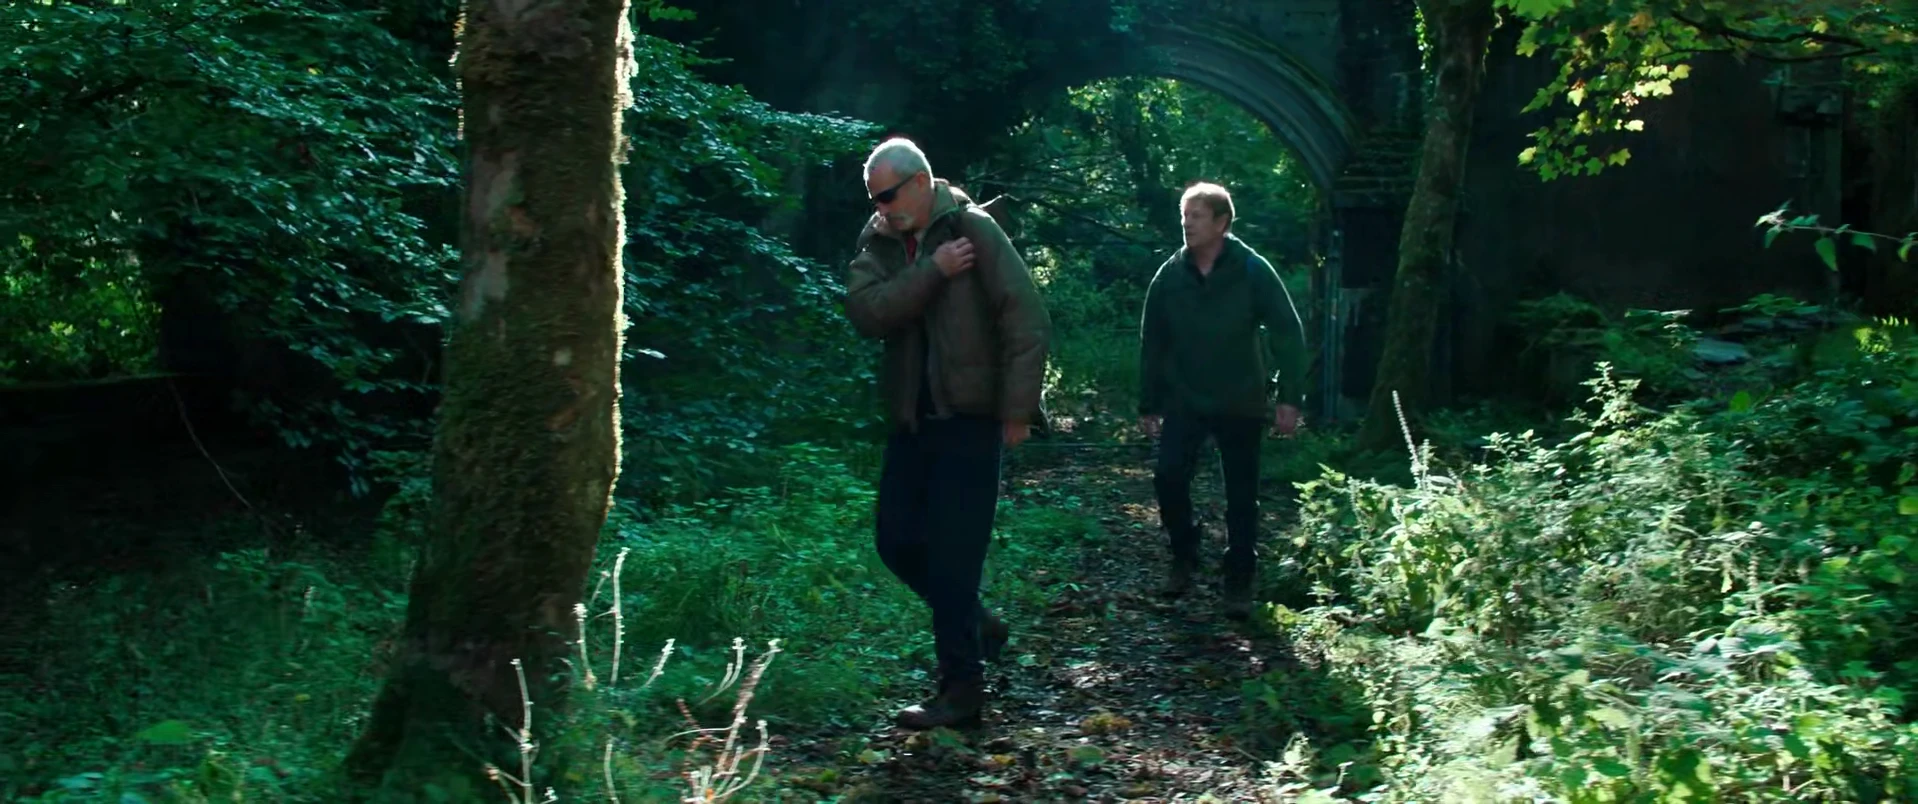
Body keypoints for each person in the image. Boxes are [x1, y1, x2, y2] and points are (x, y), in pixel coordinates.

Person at [843, 137, 1052, 729]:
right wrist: (932, 271)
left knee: (955, 559)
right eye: (873, 198)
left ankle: (962, 691)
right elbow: (867, 312)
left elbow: (1025, 316)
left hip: (971, 421)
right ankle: (977, 623)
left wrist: (1017, 410)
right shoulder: (879, 239)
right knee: (895, 542)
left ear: (919, 182)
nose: (880, 207)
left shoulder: (974, 228)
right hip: (912, 421)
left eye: (887, 195)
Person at [1137, 181, 1308, 620]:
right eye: (1184, 215)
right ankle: (1184, 554)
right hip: (1185, 398)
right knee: (1168, 477)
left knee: (1241, 494)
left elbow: (1287, 331)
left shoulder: (1252, 269)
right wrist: (1148, 402)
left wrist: (1290, 399)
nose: (1186, 223)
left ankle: (1239, 579)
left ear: (1222, 222)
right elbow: (1152, 341)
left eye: (1196, 216)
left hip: (1240, 398)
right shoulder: (1170, 275)